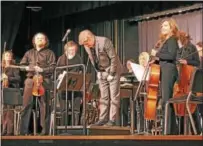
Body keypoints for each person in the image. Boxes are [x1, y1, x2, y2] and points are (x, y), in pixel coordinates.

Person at [78, 30, 123, 126]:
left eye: (86, 43)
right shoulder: (87, 46)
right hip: (101, 72)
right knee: (103, 97)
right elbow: (92, 59)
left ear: (90, 38)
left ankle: (112, 120)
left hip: (112, 70)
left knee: (114, 97)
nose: (86, 45)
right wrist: (98, 71)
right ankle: (103, 119)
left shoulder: (104, 41)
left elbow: (113, 58)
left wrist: (112, 73)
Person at [20, 32, 56, 135]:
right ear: (34, 41)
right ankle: (24, 131)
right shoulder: (29, 53)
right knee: (26, 105)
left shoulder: (50, 53)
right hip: (31, 79)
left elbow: (53, 67)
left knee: (44, 105)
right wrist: (27, 68)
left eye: (42, 38)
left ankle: (45, 131)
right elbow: (22, 66)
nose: (40, 39)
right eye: (38, 38)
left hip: (44, 80)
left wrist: (42, 70)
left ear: (45, 41)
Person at [151, 18, 179, 135]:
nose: (163, 28)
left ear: (172, 28)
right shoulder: (166, 41)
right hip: (164, 70)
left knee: (167, 101)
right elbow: (164, 57)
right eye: (162, 26)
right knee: (166, 101)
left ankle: (169, 131)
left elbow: (171, 56)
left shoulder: (172, 40)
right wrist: (155, 61)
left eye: (166, 26)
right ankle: (171, 130)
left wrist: (156, 54)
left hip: (169, 71)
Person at [177, 31, 201, 135]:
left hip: (190, 81)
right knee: (182, 107)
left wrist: (187, 62)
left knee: (192, 106)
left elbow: (197, 63)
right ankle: (182, 132)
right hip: (182, 82)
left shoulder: (192, 48)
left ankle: (197, 131)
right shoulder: (180, 50)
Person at [56, 41, 82, 125]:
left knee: (76, 109)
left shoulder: (78, 58)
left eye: (73, 50)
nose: (71, 52)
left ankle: (75, 128)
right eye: (70, 50)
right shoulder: (61, 58)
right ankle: (64, 127)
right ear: (65, 50)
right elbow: (57, 72)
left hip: (75, 86)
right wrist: (60, 75)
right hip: (64, 87)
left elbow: (81, 71)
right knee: (64, 109)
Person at [1, 51, 21, 135]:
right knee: (2, 111)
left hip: (11, 90)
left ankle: (9, 130)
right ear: (3, 57)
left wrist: (8, 77)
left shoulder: (14, 67)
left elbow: (18, 78)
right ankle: (3, 129)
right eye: (6, 55)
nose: (8, 56)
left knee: (9, 111)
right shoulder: (1, 67)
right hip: (1, 90)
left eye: (9, 55)